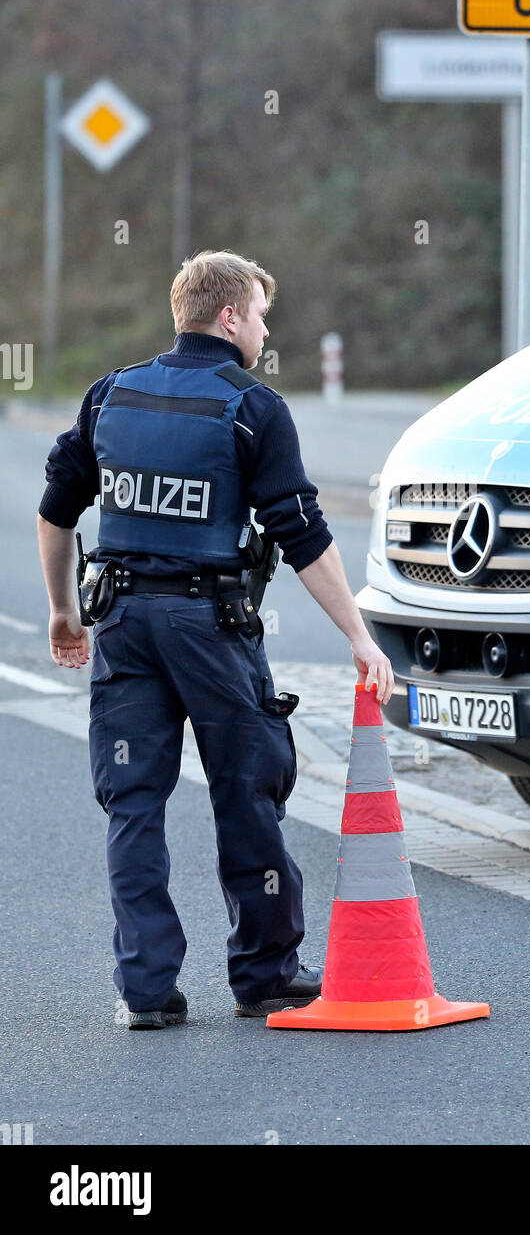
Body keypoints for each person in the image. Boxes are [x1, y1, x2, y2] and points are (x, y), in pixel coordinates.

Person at [36, 249, 394, 1029]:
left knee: (133, 804)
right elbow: (302, 535)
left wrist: (63, 610)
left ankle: (146, 990)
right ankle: (265, 973)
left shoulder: (110, 395)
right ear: (229, 316)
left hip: (124, 627)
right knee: (248, 789)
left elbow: (57, 508)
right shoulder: (251, 406)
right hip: (211, 627)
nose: (265, 329)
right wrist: (360, 638)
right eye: (261, 314)